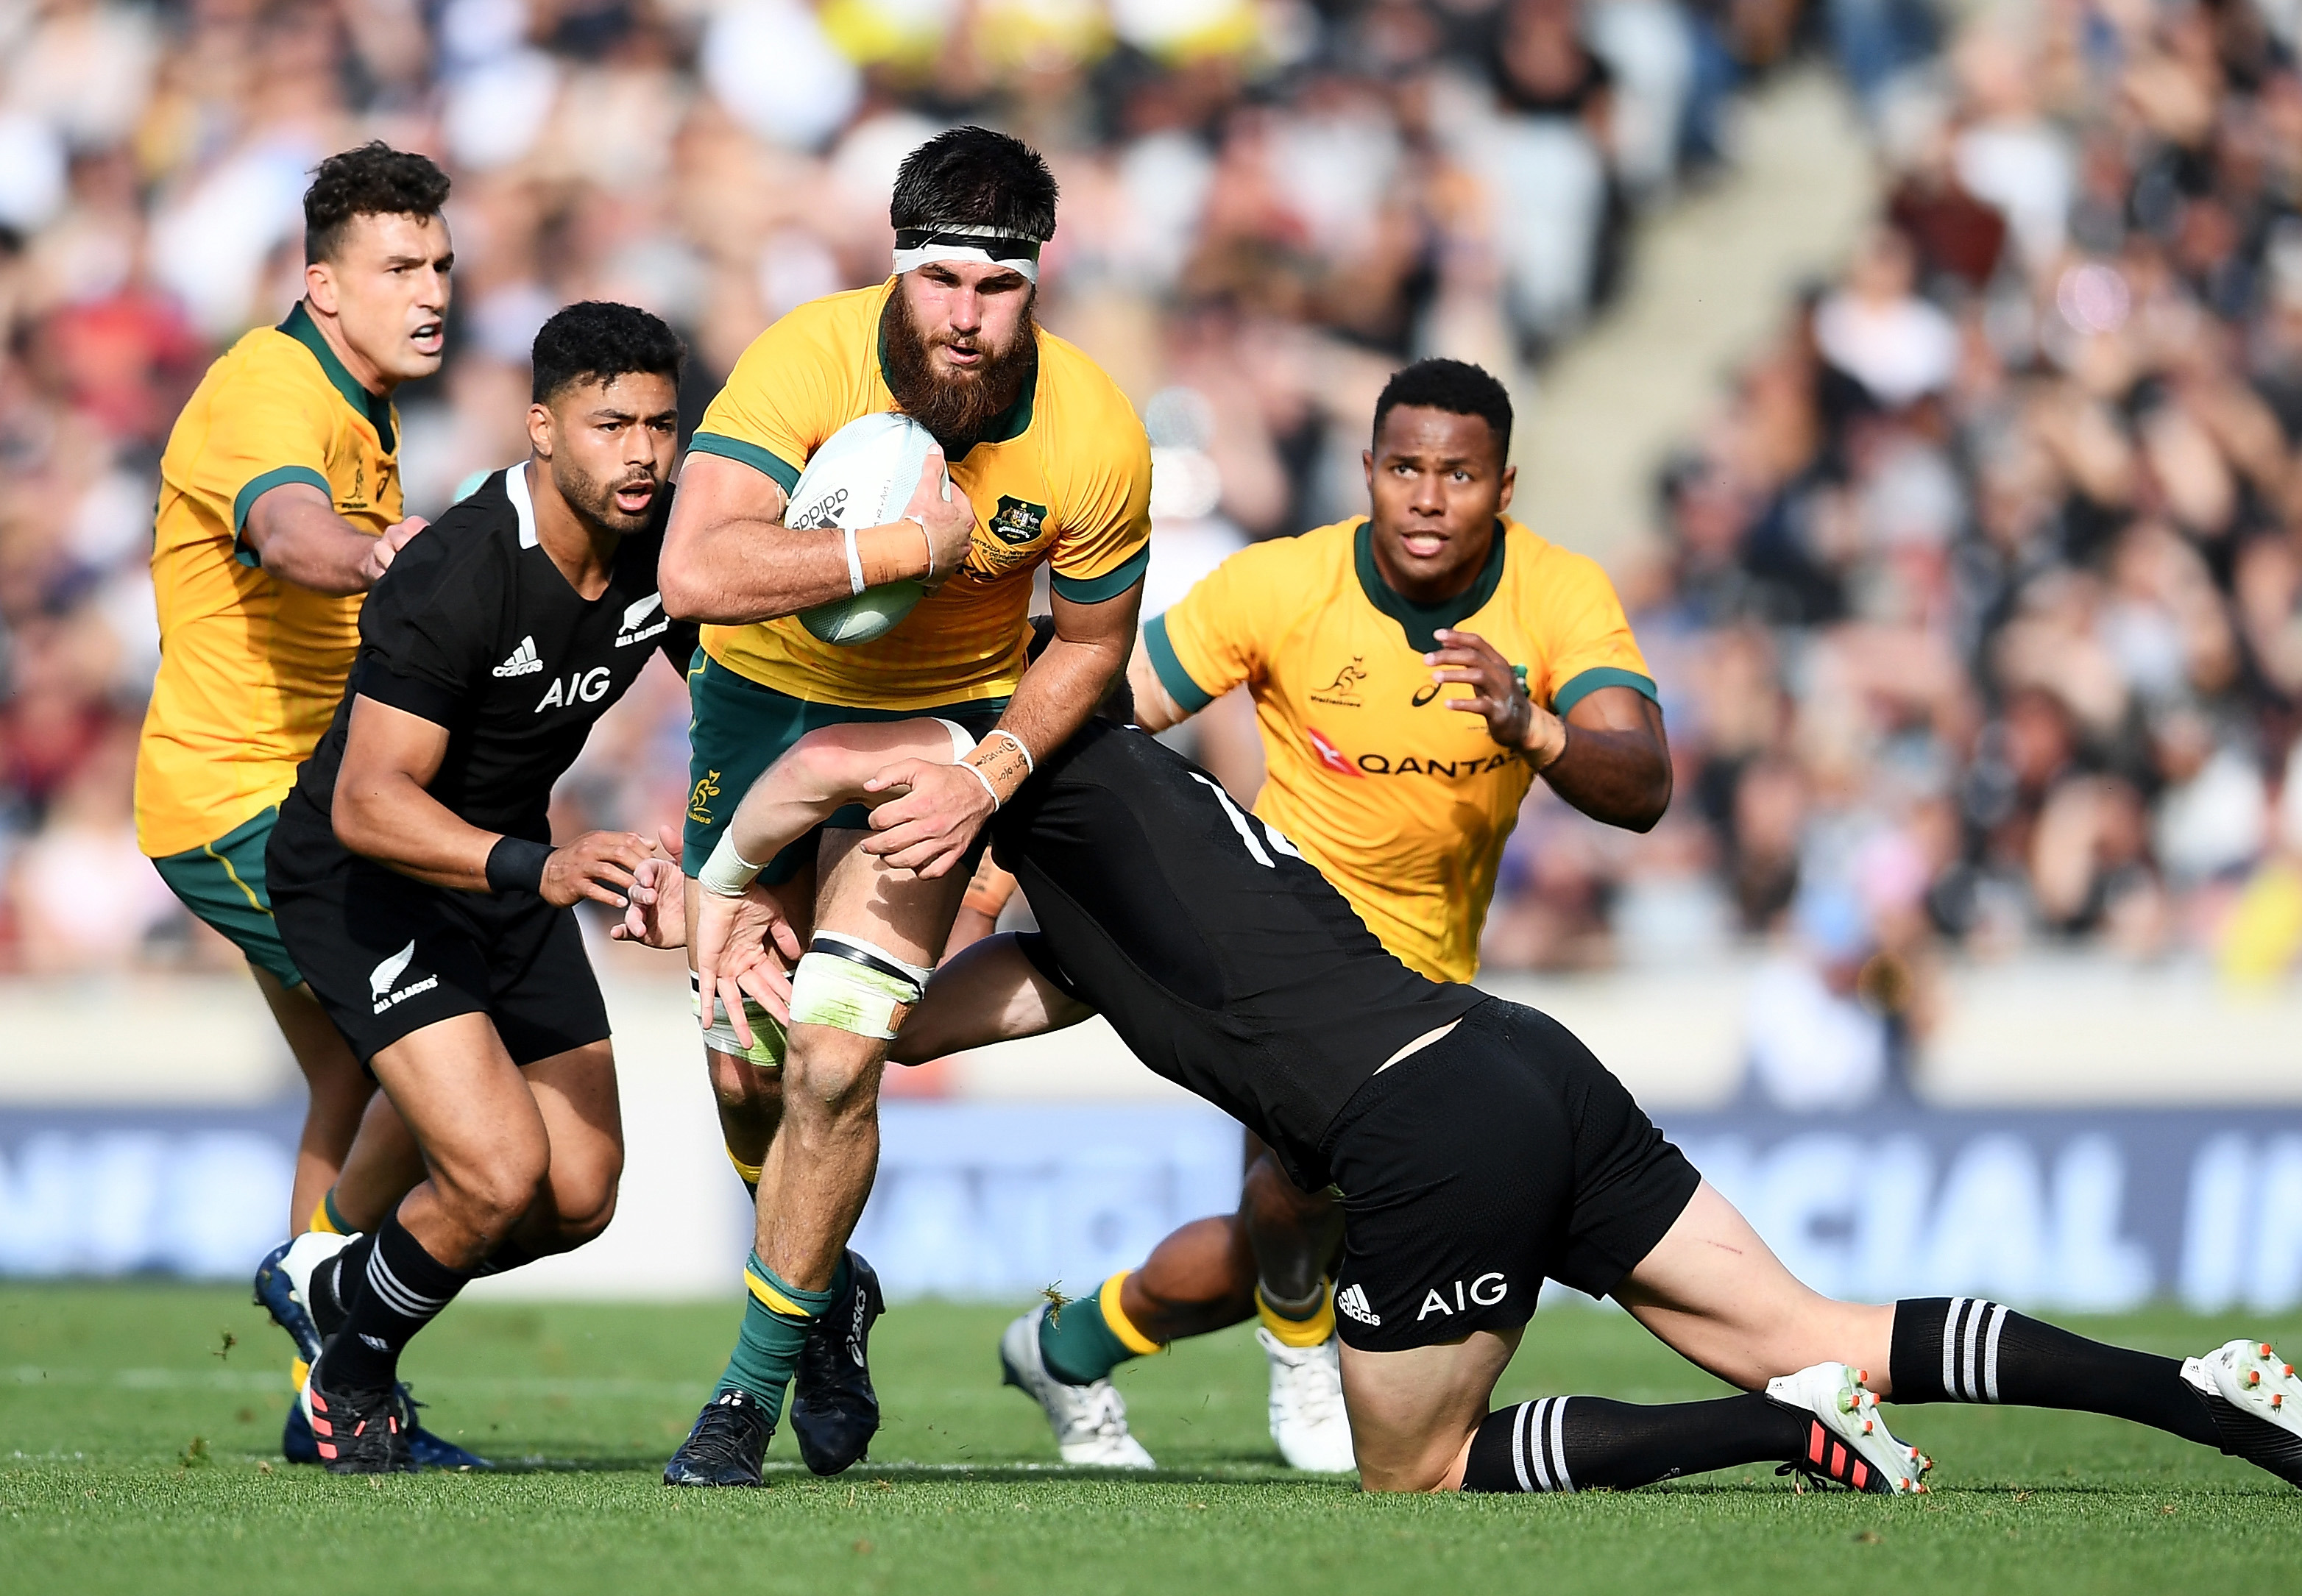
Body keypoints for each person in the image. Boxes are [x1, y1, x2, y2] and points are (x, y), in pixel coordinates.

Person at [646, 712, 2302, 1503]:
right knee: (1821, 1321)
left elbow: (828, 763)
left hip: (1425, 1130)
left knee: (1413, 1470)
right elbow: (977, 998)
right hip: (1527, 1060)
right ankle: (2203, 1395)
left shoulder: (1004, 757)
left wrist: (718, 887)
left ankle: (1781, 1435)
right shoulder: (1135, 839)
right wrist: (799, 980)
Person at [982, 359, 1671, 1472]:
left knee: (1298, 1222)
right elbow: (1109, 712)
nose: (1427, 496)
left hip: (1436, 982)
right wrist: (997, 848)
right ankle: (1301, 1358)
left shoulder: (1558, 595)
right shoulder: (1282, 585)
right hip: (1273, 947)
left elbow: (1642, 784)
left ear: (1504, 485)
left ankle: (1066, 1345)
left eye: (1459, 473)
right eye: (1404, 467)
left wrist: (1531, 727)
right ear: (1367, 472)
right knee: (1299, 1195)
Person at [653, 125, 1150, 1485]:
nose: (967, 319)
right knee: (743, 1071)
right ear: (897, 269)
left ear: (1039, 281)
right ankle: (824, 1297)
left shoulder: (1096, 434)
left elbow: (1094, 646)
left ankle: (743, 1401)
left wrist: (990, 775)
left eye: (998, 289)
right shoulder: (802, 358)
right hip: (757, 710)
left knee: (834, 1054)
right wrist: (909, 546)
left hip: (936, 737)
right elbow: (694, 573)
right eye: (941, 282)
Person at [259, 302, 692, 1472]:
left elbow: (740, 716)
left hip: (509, 867)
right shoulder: (457, 570)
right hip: (370, 877)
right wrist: (543, 867)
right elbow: (367, 803)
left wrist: (706, 875)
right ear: (542, 428)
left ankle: (332, 1275)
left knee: (579, 1194)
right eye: (612, 425)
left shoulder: (668, 549)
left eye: (660, 423)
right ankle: (346, 1390)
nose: (644, 452)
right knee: (496, 1173)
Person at [132, 141, 475, 1467]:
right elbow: (288, 531)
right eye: (399, 268)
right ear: (321, 285)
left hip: (307, 803)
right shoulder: (267, 392)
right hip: (236, 805)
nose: (431, 290)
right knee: (438, 1066)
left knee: (350, 1070)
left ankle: (325, 1396)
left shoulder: (363, 396)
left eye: (440, 263)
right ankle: (332, 1324)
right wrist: (376, 554)